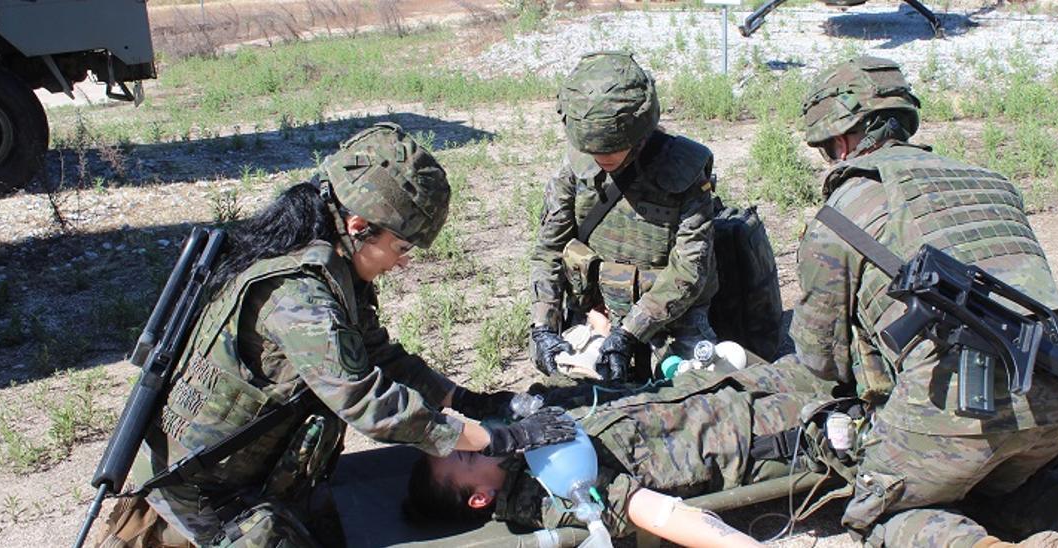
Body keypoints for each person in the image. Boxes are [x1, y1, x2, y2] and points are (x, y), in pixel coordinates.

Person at [97, 123, 576, 548]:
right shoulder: (297, 295)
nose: (404, 261)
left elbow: (379, 355)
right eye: (401, 246)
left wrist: (472, 401)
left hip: (250, 479)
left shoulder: (333, 267)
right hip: (202, 497)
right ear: (358, 226)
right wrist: (492, 439)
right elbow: (366, 399)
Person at [789, 56, 1058, 547]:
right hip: (1053, 405)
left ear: (842, 140)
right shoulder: (992, 183)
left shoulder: (839, 216)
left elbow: (820, 358)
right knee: (1003, 485)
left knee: (884, 514)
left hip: (949, 413)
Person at [407, 357, 839, 547]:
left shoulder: (520, 443)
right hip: (768, 429)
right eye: (466, 456)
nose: (477, 440)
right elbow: (654, 512)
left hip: (734, 387)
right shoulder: (550, 494)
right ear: (478, 497)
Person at [528, 51, 719, 382]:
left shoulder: (684, 171)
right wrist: (544, 325)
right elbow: (548, 251)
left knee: (698, 396)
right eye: (593, 149)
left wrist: (630, 333)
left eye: (612, 147)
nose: (601, 157)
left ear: (639, 132)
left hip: (671, 317)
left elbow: (690, 270)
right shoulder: (576, 168)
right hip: (597, 311)